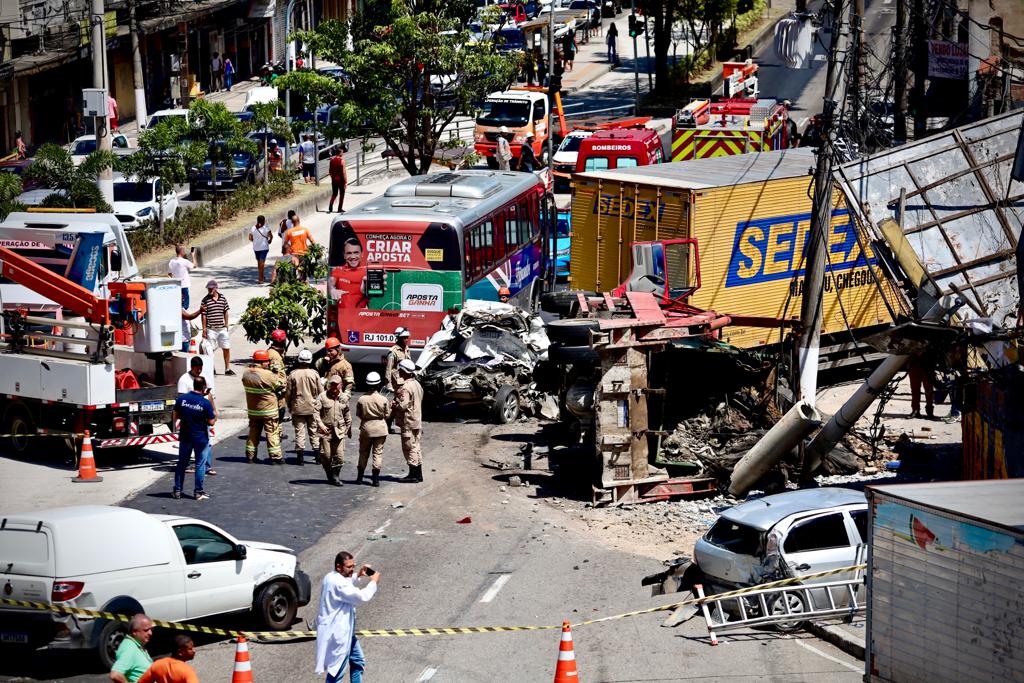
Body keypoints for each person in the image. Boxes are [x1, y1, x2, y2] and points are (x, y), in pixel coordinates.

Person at [314, 551, 380, 683]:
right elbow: (361, 596)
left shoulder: (330, 577)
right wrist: (373, 582)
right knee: (336, 673)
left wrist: (358, 575)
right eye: (349, 567)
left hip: (346, 632)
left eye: (353, 566)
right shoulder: (338, 583)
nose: (352, 569)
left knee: (358, 661)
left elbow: (346, 582)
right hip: (339, 635)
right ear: (339, 567)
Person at [172, 375, 216, 501]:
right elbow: (211, 422)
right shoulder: (205, 403)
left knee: (182, 464)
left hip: (185, 437)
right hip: (200, 438)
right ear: (203, 387)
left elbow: (175, 415)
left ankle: (177, 491)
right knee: (200, 465)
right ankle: (198, 492)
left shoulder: (182, 399)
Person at [176, 356, 218, 477]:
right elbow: (181, 400)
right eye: (197, 369)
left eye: (200, 368)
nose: (199, 371)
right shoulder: (184, 380)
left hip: (203, 415)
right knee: (188, 443)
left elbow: (209, 395)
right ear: (191, 367)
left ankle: (206, 466)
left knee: (207, 441)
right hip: (190, 418)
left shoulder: (202, 377)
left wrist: (214, 410)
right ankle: (186, 465)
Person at [243, 349, 285, 464]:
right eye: (267, 361)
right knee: (272, 433)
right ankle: (275, 457)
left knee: (253, 432)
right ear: (262, 362)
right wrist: (277, 372)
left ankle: (250, 456)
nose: (268, 363)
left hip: (253, 410)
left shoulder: (246, 373)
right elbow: (280, 385)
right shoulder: (268, 374)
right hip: (269, 411)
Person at [287, 348, 323, 466]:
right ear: (310, 360)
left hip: (298, 408)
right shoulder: (314, 374)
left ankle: (300, 459)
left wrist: (289, 405)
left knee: (299, 432)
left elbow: (288, 393)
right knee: (314, 431)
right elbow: (321, 392)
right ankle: (317, 457)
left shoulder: (293, 374)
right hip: (312, 407)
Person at [314, 376, 351, 486]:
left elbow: (347, 414)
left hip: (339, 431)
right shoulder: (322, 397)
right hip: (326, 432)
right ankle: (329, 474)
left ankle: (335, 476)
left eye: (336, 384)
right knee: (326, 456)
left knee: (340, 457)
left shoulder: (344, 398)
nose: (334, 387)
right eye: (332, 384)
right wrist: (321, 425)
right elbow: (315, 412)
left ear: (341, 385)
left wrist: (348, 428)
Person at [355, 372, 390, 487]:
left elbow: (359, 414)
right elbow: (387, 415)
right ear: (378, 384)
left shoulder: (362, 399)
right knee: (377, 453)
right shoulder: (383, 399)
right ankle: (375, 480)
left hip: (366, 428)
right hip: (380, 428)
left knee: (363, 452)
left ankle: (359, 478)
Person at [392, 359, 424, 483]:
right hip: (417, 420)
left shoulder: (406, 387)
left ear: (404, 371)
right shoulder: (417, 384)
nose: (399, 372)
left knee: (409, 448)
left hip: (408, 421)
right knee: (416, 446)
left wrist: (395, 403)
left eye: (400, 370)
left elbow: (403, 405)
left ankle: (413, 475)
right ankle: (418, 474)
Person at [199, 280, 232, 375]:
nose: (209, 290)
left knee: (226, 347)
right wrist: (204, 329)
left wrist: (226, 324)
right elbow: (203, 315)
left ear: (216, 288)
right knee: (210, 350)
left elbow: (225, 311)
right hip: (211, 329)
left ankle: (227, 369)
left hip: (222, 328)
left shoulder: (222, 298)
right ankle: (212, 368)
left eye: (211, 288)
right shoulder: (205, 300)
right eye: (208, 289)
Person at [108, 614, 154, 683]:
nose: (150, 633)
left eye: (151, 629)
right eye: (146, 630)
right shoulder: (129, 649)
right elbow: (115, 674)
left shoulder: (137, 644)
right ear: (134, 632)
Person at [168, 245, 194, 352]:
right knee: (185, 308)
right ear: (181, 251)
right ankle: (184, 324)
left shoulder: (171, 262)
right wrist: (193, 255)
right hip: (184, 286)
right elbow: (194, 266)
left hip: (176, 286)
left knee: (178, 306)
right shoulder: (184, 261)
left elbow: (169, 274)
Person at [330, 238, 369, 308]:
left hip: (361, 313)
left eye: (356, 252)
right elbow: (330, 282)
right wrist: (332, 289)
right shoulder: (338, 270)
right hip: (342, 313)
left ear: (362, 254)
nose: (353, 257)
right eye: (349, 253)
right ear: (344, 255)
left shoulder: (367, 272)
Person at [268, 329, 288, 422]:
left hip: (277, 389)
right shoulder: (275, 356)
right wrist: (281, 387)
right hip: (278, 391)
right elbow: (275, 374)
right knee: (279, 414)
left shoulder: (274, 352)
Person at [383, 327, 411, 392]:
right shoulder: (393, 351)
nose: (406, 340)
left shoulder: (407, 349)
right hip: (398, 381)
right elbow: (388, 369)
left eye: (407, 337)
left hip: (407, 380)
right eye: (404, 338)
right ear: (398, 338)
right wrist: (388, 384)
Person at [908, 353, 935, 419]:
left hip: (927, 362)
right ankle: (915, 410)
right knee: (915, 389)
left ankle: (930, 411)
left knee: (928, 388)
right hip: (913, 362)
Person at [250, 214, 273, 284]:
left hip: (261, 248)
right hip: (260, 247)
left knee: (261, 263)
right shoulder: (266, 228)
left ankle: (261, 278)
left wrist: (255, 241)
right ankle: (262, 276)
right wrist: (270, 240)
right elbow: (271, 236)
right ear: (263, 221)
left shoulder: (253, 228)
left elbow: (250, 238)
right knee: (260, 263)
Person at [328, 148, 348, 212]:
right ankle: (339, 208)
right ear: (340, 153)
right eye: (342, 152)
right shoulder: (342, 161)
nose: (343, 153)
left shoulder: (332, 160)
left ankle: (330, 205)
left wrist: (332, 177)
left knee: (334, 193)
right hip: (341, 179)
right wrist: (345, 181)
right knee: (342, 193)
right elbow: (343, 172)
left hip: (334, 179)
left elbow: (330, 171)